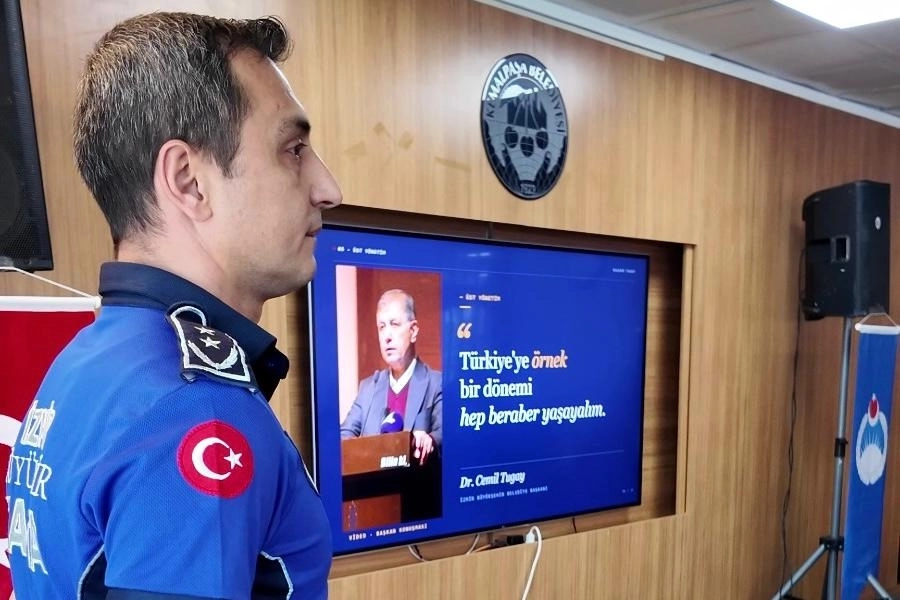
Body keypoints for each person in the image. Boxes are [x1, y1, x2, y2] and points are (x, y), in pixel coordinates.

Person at [5, 12, 341, 600]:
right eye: (293, 149)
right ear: (188, 180)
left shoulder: (87, 361)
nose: (328, 188)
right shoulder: (198, 410)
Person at [340, 289, 442, 465]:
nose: (387, 336)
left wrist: (430, 440)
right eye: (382, 327)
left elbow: (446, 434)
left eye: (394, 324)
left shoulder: (436, 383)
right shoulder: (368, 388)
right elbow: (344, 437)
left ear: (413, 331)